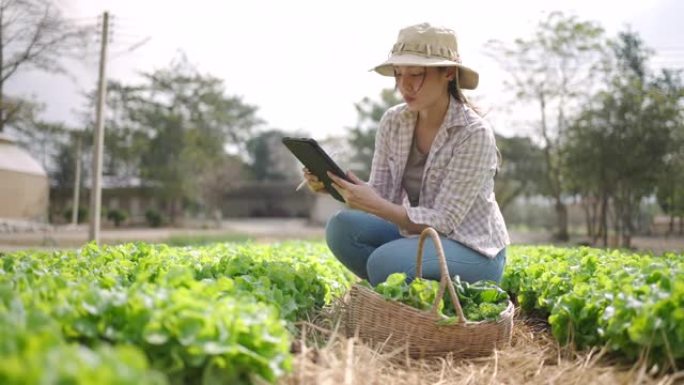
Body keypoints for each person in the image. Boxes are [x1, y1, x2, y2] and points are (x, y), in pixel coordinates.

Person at [302, 22, 509, 286]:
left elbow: (445, 221)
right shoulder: (394, 121)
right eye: (398, 74)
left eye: (416, 74)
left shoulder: (473, 133)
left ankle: (401, 285)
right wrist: (336, 186)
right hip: (420, 238)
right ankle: (404, 292)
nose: (404, 85)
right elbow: (383, 194)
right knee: (341, 229)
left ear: (447, 73)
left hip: (473, 249)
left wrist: (373, 203)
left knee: (385, 263)